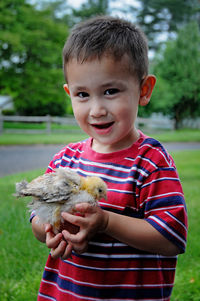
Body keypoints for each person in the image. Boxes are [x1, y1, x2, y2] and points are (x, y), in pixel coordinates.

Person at [31, 15, 188, 301]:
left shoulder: (151, 162)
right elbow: (36, 217)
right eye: (82, 94)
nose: (97, 109)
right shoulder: (64, 160)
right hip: (68, 294)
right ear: (69, 95)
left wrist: (105, 223)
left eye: (110, 91)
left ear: (144, 90)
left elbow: (171, 237)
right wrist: (51, 229)